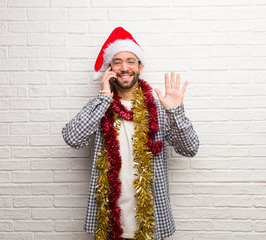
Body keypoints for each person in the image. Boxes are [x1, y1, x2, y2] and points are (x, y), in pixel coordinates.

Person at [62, 27, 199, 240]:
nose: (124, 67)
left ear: (140, 67)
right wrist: (104, 97)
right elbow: (72, 138)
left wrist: (175, 112)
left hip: (150, 218)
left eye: (131, 61)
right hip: (109, 220)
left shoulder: (160, 108)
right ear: (109, 69)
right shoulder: (99, 107)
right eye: (117, 61)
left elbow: (190, 148)